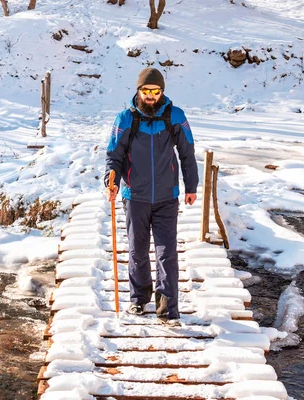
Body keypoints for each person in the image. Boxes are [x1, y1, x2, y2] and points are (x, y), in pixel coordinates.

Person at [104, 67, 199, 326]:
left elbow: (187, 154)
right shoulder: (125, 119)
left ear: (162, 92)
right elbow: (114, 156)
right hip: (135, 195)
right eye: (146, 91)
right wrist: (110, 180)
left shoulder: (175, 116)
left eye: (155, 91)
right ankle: (138, 298)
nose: (150, 96)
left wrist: (191, 187)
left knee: (167, 251)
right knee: (137, 250)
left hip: (167, 196)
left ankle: (168, 307)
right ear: (138, 91)